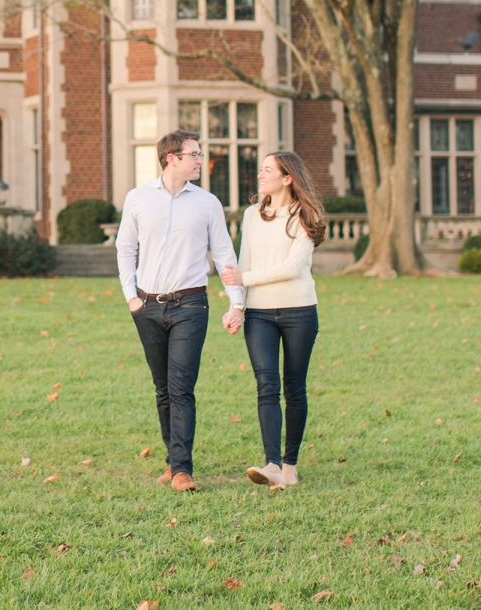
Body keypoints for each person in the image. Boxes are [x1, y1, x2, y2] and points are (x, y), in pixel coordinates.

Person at [116, 129, 244, 491]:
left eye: (199, 154)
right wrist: (132, 298)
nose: (200, 160)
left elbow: (223, 255)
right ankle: (172, 460)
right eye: (194, 154)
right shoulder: (138, 199)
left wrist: (237, 302)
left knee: (181, 387)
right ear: (172, 158)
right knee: (162, 388)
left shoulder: (207, 203)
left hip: (191, 304)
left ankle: (183, 468)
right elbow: (125, 248)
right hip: (147, 306)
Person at [220, 150, 326, 489]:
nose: (261, 175)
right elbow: (244, 261)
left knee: (294, 388)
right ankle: (272, 465)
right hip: (259, 315)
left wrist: (243, 280)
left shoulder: (305, 216)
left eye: (268, 170)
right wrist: (238, 306)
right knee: (266, 386)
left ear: (287, 178)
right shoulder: (253, 215)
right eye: (261, 170)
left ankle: (290, 463)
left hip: (299, 312)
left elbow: (292, 268)